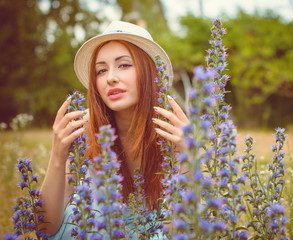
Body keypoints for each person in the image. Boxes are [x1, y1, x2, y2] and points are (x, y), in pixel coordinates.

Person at [39, 20, 189, 239]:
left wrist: (188, 154)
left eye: (124, 65)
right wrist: (57, 156)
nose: (110, 78)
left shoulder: (173, 132)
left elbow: (185, 228)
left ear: (149, 72)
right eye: (101, 70)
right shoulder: (87, 132)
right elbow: (45, 230)